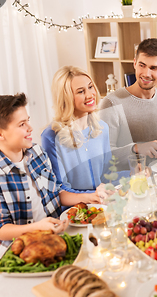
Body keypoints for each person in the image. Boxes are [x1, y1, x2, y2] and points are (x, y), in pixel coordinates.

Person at [0, 93, 101, 264]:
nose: (30, 128)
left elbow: (56, 193)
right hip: (15, 252)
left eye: (28, 120)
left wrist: (89, 196)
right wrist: (37, 228)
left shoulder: (37, 153)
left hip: (51, 238)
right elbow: (1, 229)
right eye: (22, 124)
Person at [99, 38, 157, 169]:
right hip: (123, 182)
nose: (146, 74)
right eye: (142, 65)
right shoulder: (112, 102)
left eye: (154, 68)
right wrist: (136, 148)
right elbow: (104, 155)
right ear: (134, 63)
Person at [41, 66, 113, 198]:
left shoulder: (102, 128)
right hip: (74, 211)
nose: (90, 95)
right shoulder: (51, 136)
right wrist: (92, 196)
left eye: (90, 87)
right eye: (81, 92)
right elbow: (59, 189)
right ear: (66, 98)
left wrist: (132, 172)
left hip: (102, 203)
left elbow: (107, 173)